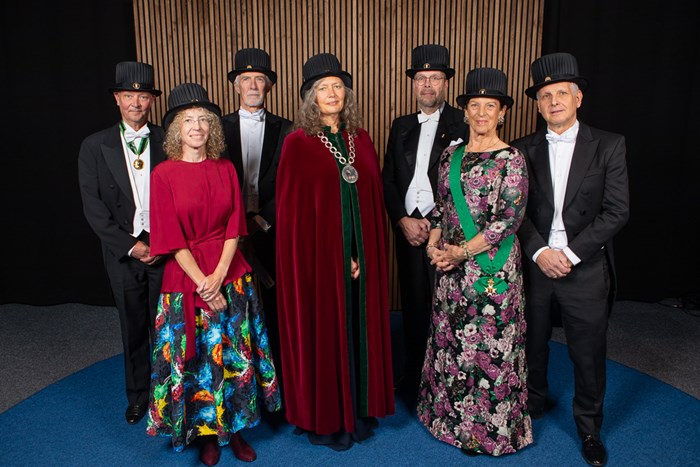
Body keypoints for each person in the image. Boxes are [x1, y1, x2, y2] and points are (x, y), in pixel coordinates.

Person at [146, 83, 281, 466]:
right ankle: (206, 435)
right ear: (175, 129)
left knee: (234, 357)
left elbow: (235, 227)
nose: (196, 126)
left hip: (229, 272)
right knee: (200, 360)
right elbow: (170, 238)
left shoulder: (225, 169)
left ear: (212, 128)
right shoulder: (164, 174)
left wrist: (219, 275)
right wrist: (204, 285)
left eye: (204, 120)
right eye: (188, 120)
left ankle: (235, 429)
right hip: (185, 278)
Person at [511, 52, 630, 467]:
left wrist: (571, 254)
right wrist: (542, 252)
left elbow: (617, 211)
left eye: (562, 93)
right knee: (532, 343)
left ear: (578, 98)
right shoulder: (521, 149)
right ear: (538, 104)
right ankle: (534, 406)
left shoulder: (609, 145)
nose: (554, 101)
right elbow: (515, 212)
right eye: (546, 95)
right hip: (538, 264)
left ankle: (589, 429)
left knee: (588, 353)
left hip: (585, 266)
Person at [276, 53, 395, 451]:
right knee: (325, 329)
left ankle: (359, 409)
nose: (332, 93)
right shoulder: (298, 145)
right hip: (319, 266)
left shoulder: (361, 140)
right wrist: (336, 256)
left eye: (338, 87)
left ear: (347, 94)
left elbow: (371, 204)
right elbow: (296, 220)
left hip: (363, 264)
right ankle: (325, 416)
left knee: (358, 326)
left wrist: (362, 253)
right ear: (310, 97)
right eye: (323, 88)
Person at [417, 67, 532, 456]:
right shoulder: (451, 154)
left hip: (491, 270)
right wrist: (434, 246)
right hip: (450, 269)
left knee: (490, 350)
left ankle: (488, 434)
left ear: (502, 113)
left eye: (491, 106)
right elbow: (441, 209)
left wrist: (459, 252)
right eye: (475, 106)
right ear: (465, 112)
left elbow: (508, 221)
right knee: (453, 348)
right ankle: (450, 424)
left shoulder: (512, 159)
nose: (482, 113)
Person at [78, 61, 165, 425]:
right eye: (128, 95)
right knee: (132, 326)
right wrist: (131, 247)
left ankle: (170, 392)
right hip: (122, 250)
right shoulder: (94, 145)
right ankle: (138, 395)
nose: (135, 103)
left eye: (142, 96)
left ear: (150, 101)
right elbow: (93, 206)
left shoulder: (169, 138)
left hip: (165, 248)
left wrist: (163, 243)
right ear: (117, 98)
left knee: (166, 325)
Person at [382, 44, 469, 397]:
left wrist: (434, 223)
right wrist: (401, 219)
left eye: (435, 77)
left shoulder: (464, 123)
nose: (428, 84)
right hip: (407, 229)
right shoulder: (400, 124)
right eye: (421, 78)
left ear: (446, 82)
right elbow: (388, 178)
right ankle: (416, 375)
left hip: (444, 231)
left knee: (446, 307)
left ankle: (446, 382)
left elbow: (464, 183)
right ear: (414, 83)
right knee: (414, 305)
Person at [221, 50, 292, 389]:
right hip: (227, 234)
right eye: (246, 79)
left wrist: (263, 221)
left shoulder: (289, 129)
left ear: (269, 86)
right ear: (236, 86)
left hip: (273, 229)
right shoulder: (216, 127)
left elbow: (292, 184)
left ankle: (277, 378)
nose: (252, 85)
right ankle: (241, 381)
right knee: (236, 308)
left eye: (259, 79)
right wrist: (236, 224)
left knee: (277, 304)